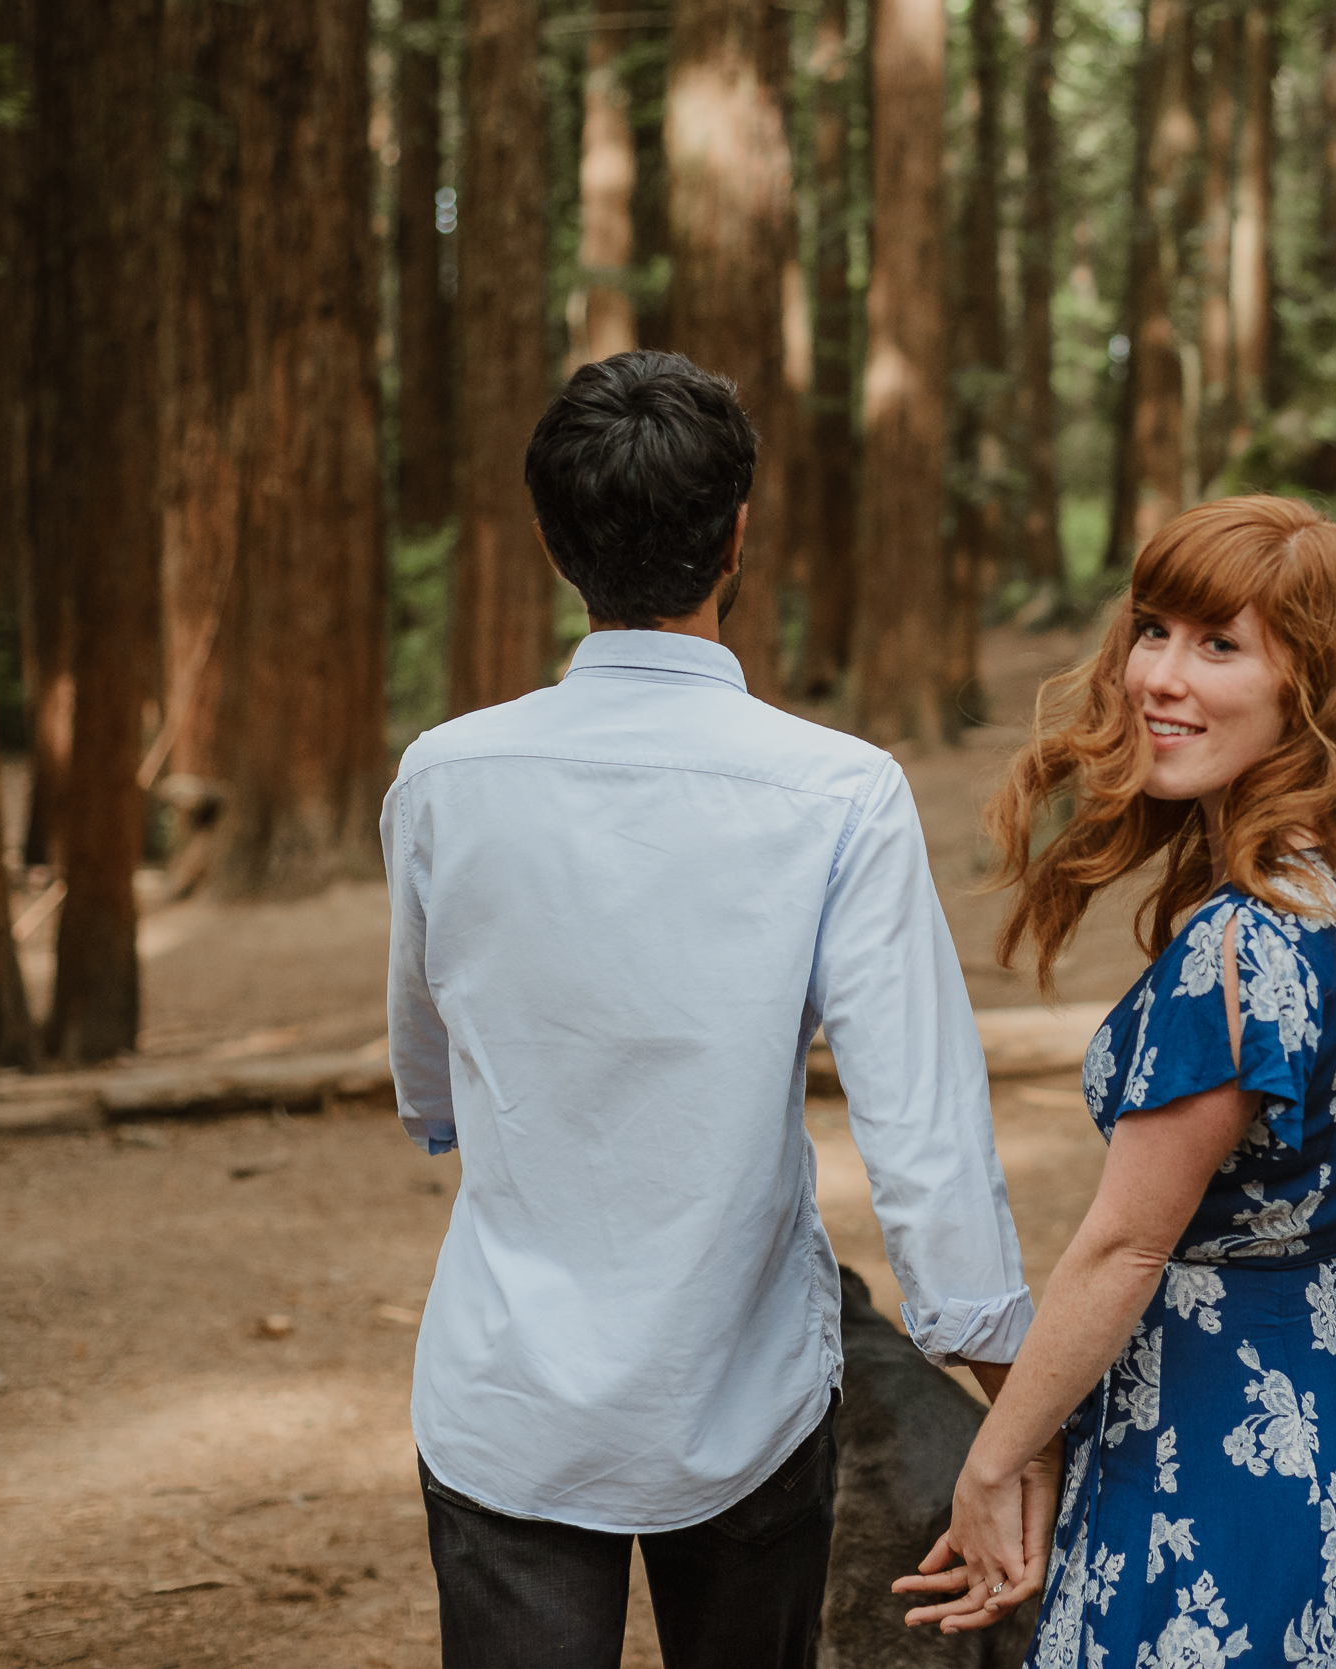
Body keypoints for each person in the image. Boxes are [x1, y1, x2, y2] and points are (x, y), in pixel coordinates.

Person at [382, 349, 1035, 1668]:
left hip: (505, 1391)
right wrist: (1010, 1400)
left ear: (552, 537)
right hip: (743, 1385)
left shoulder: (445, 778)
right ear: (740, 532)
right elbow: (923, 1134)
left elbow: (430, 1074)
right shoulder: (841, 791)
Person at [896, 495, 1336, 1664]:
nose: (1157, 676)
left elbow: (1124, 1248)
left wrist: (995, 1457)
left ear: (1310, 688)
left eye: (1220, 645)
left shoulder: (1239, 948)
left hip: (1206, 1452)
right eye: (1153, 630)